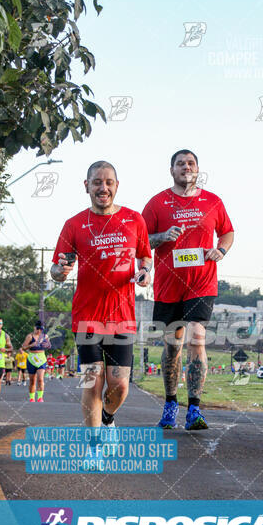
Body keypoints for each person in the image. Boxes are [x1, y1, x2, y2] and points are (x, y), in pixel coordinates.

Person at [50, 160, 151, 466]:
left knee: (119, 385)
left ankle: (108, 418)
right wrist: (60, 270)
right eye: (96, 182)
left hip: (122, 316)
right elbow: (57, 269)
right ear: (87, 186)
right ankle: (93, 448)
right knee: (91, 382)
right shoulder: (74, 224)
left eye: (108, 182)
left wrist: (145, 272)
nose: (102, 188)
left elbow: (145, 256)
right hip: (87, 316)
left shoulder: (134, 220)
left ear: (116, 186)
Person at [142, 149, 234, 429]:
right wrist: (161, 236)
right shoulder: (157, 203)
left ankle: (194, 408)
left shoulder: (213, 202)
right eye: (180, 164)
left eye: (191, 163)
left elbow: (228, 232)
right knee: (173, 347)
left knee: (197, 338)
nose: (186, 167)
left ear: (197, 169)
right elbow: (140, 241)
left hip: (202, 282)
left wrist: (221, 249)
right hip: (169, 286)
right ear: (172, 170)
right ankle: (171, 403)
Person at [22, 321, 51, 402]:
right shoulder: (30, 336)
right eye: (38, 329)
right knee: (32, 380)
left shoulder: (45, 336)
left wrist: (46, 345)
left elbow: (49, 345)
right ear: (34, 327)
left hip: (41, 358)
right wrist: (31, 345)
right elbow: (23, 347)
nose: (39, 331)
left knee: (40, 379)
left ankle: (40, 397)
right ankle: (32, 398)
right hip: (32, 358)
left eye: (41, 329)